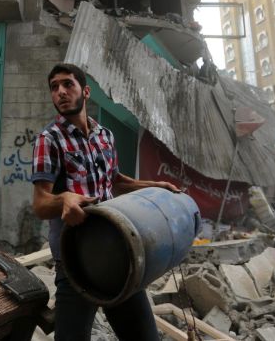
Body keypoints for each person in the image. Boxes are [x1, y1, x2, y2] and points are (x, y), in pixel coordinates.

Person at [30, 63, 179, 341]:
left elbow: (115, 180)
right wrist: (64, 199)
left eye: (67, 84)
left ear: (85, 92)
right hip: (75, 263)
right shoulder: (48, 140)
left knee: (145, 337)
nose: (60, 92)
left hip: (117, 255)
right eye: (54, 87)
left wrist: (154, 185)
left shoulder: (104, 136)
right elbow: (40, 204)